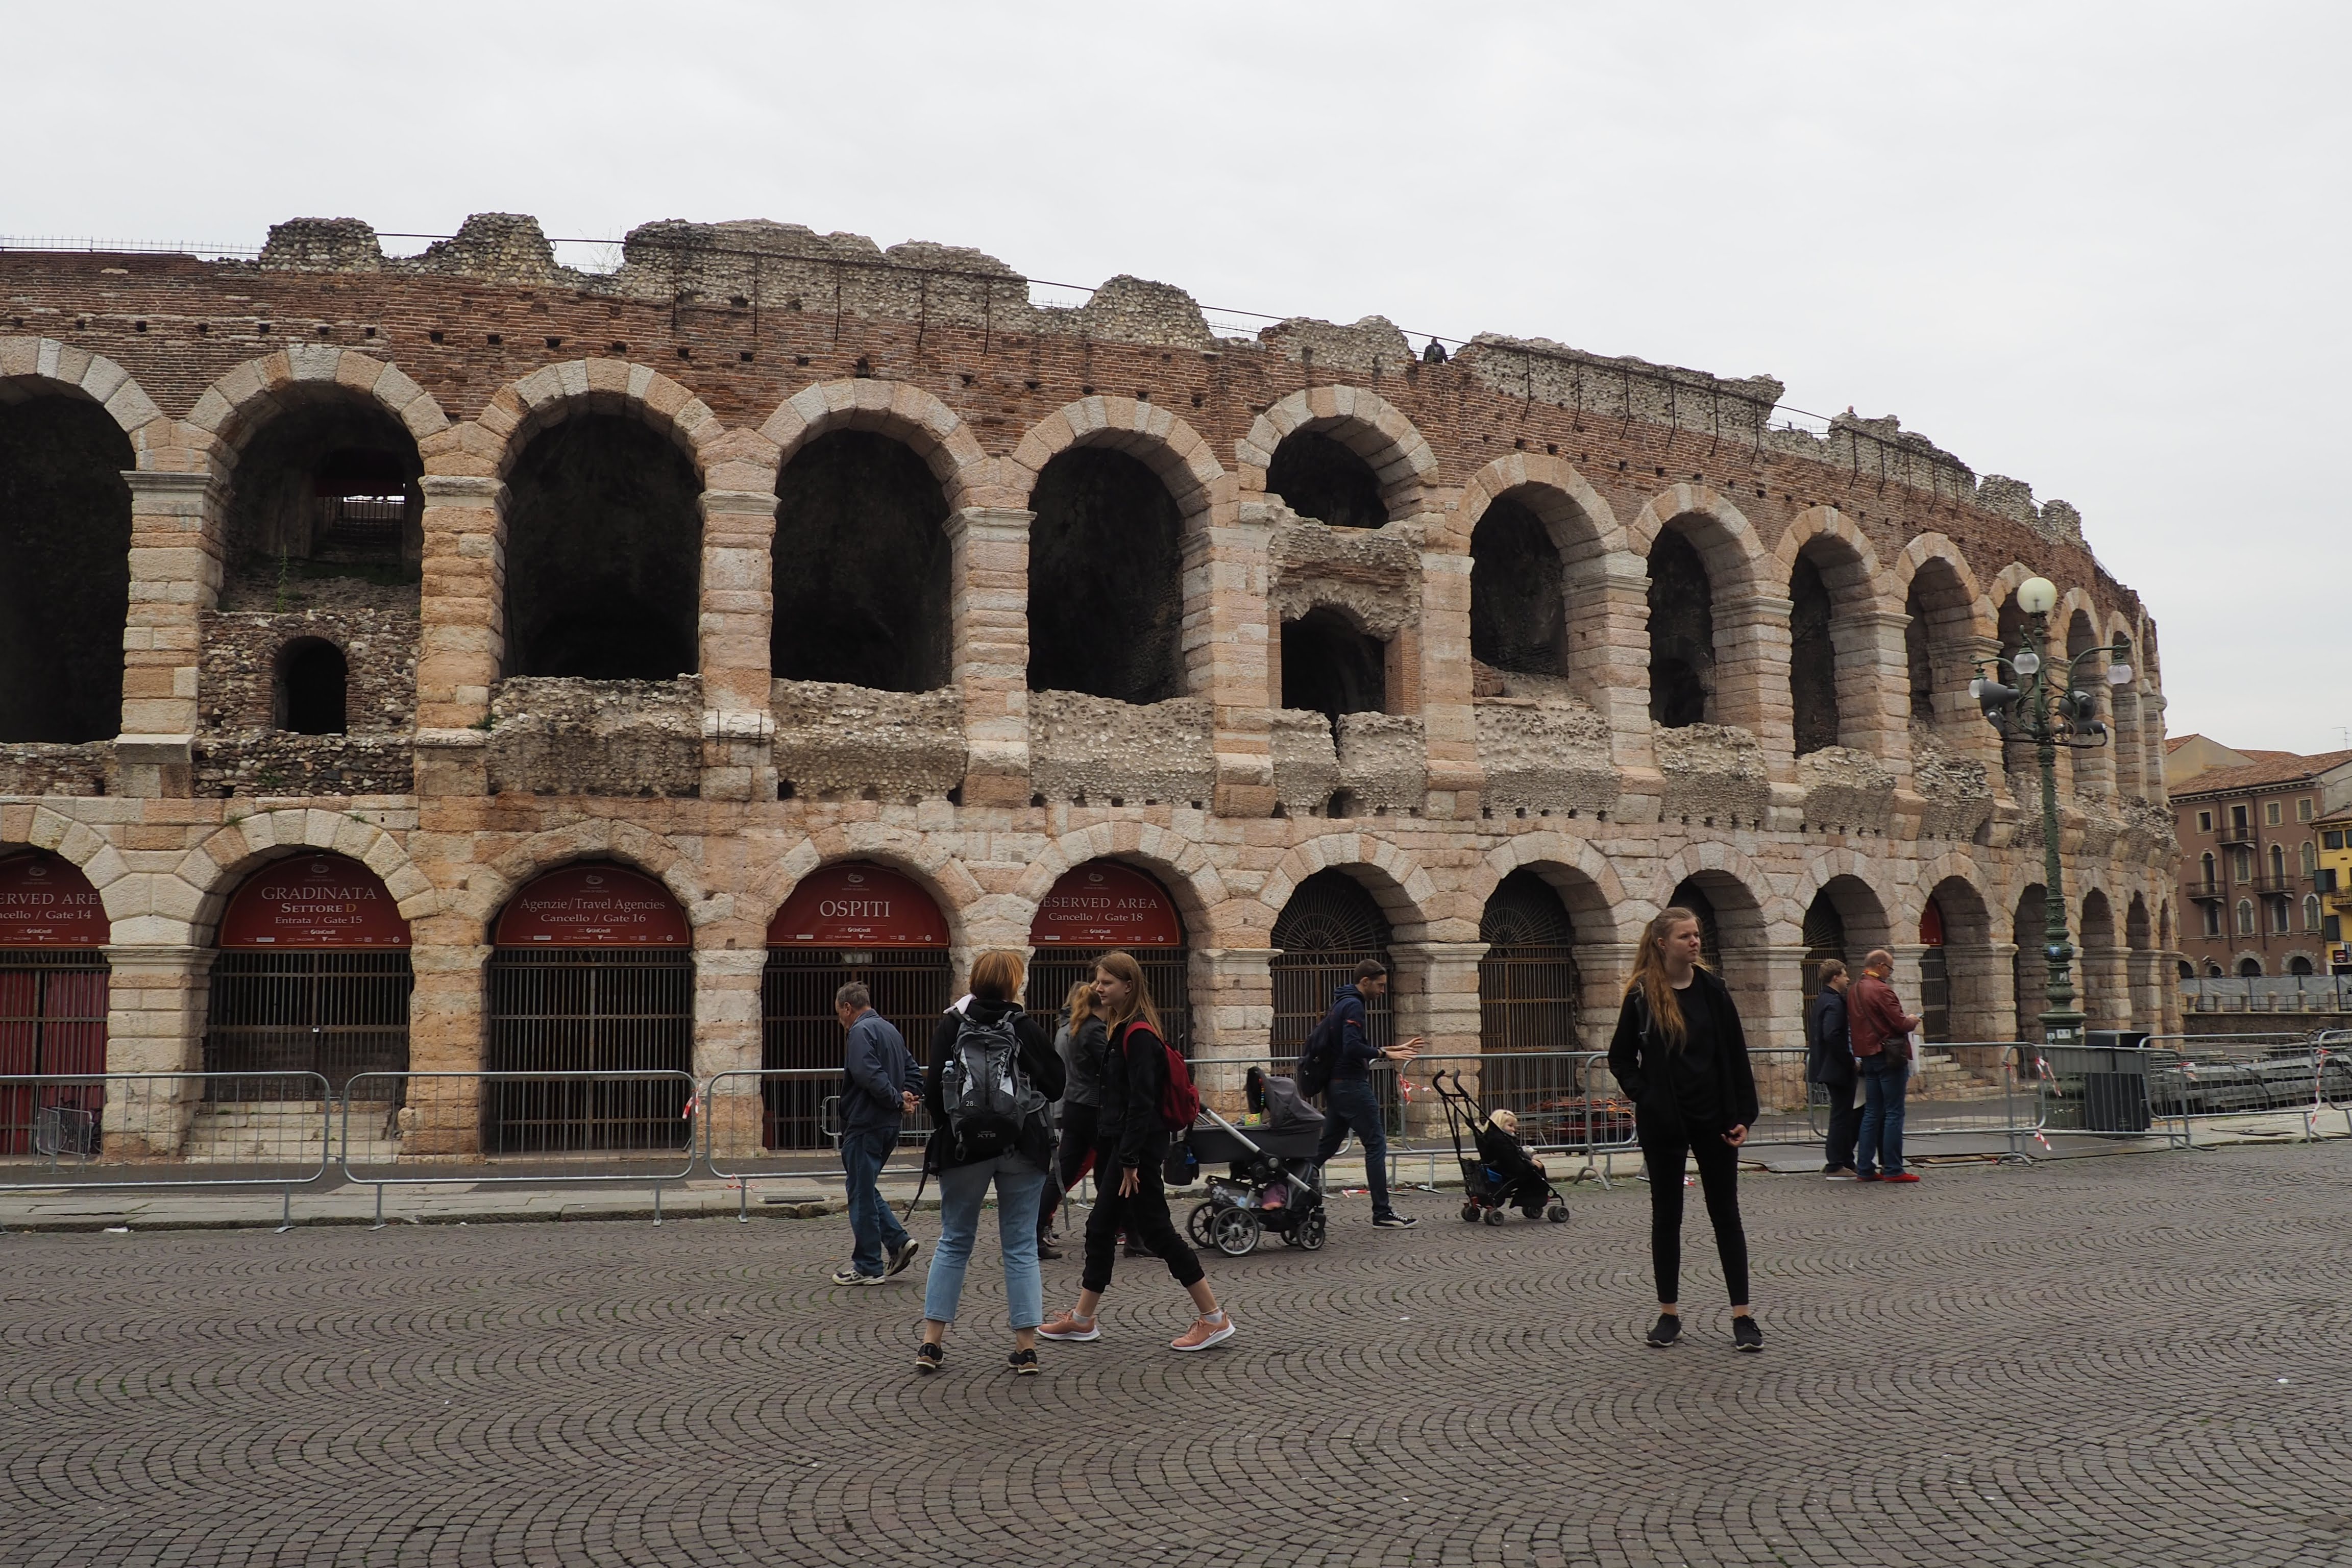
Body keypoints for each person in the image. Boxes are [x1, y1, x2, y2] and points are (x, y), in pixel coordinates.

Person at [1038, 950, 1236, 1352]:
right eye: (1097, 981)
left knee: (1157, 1232)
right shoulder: (1120, 1027)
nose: (1098, 988)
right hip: (1122, 1148)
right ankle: (1083, 1318)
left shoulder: (1139, 1034)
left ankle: (1214, 1319)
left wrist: (1129, 1161)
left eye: (1107, 982)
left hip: (1137, 1153)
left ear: (1128, 986)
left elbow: (1141, 1103)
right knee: (1103, 1229)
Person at [1607, 906, 1763, 1353]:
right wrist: (1645, 1093)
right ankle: (1669, 1314)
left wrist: (1743, 1116)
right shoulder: (1641, 995)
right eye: (1685, 936)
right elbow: (1620, 1057)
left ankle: (1743, 1316)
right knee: (1667, 1217)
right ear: (1662, 943)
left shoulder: (1714, 991)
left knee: (1725, 1215)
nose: (1695, 942)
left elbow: (1735, 1056)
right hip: (1664, 1119)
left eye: (1697, 935)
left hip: (1714, 1117)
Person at [915, 950, 1067, 1375]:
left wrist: (961, 1126)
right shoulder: (1025, 1027)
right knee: (1020, 1245)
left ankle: (931, 1343)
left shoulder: (951, 1025)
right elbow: (1056, 1087)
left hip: (964, 1149)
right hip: (1021, 1147)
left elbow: (933, 1092)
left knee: (954, 1241)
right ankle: (1026, 1348)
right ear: (1013, 983)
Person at [1309, 959, 1426, 1229]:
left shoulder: (1342, 1003)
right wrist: (1385, 1053)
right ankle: (1382, 1213)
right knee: (1376, 1144)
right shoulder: (1354, 1005)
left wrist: (1390, 1048)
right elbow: (1351, 1048)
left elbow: (1350, 1045)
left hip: (1337, 1084)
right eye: (1380, 986)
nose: (1382, 991)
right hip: (1351, 1085)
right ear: (1365, 982)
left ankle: (1291, 1185)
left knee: (1325, 1147)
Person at [829, 983, 922, 1287]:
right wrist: (907, 1096)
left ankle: (868, 1265)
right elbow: (912, 1069)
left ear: (847, 1008)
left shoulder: (860, 1031)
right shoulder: (890, 1030)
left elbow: (867, 1073)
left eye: (839, 1015)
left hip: (866, 1121)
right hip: (888, 1124)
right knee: (865, 1188)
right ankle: (897, 1242)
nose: (841, 1022)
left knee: (860, 1193)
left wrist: (898, 1098)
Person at [1034, 979, 1110, 1261]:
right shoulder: (1091, 1029)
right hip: (1088, 1107)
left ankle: (1038, 1228)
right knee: (1101, 1170)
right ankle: (1117, 1230)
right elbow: (1109, 1068)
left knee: (1066, 1171)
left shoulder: (1069, 1028)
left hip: (1074, 1105)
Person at [1848, 947, 1924, 1185]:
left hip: (1867, 1056)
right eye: (1890, 968)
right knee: (1893, 1112)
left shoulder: (1855, 990)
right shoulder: (1882, 990)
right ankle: (1893, 1168)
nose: (1890, 973)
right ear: (1880, 966)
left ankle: (1865, 1168)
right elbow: (1899, 1023)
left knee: (1872, 1112)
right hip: (1888, 1056)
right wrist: (1912, 1020)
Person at [1805, 960, 1861, 1180]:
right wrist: (1849, 1060)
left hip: (1830, 1065)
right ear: (1836, 977)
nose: (1848, 979)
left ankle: (1846, 1160)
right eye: (1845, 975)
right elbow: (1832, 1035)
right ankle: (1836, 1163)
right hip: (1836, 1067)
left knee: (1844, 1114)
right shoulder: (1834, 1002)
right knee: (1841, 1116)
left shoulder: (1825, 999)